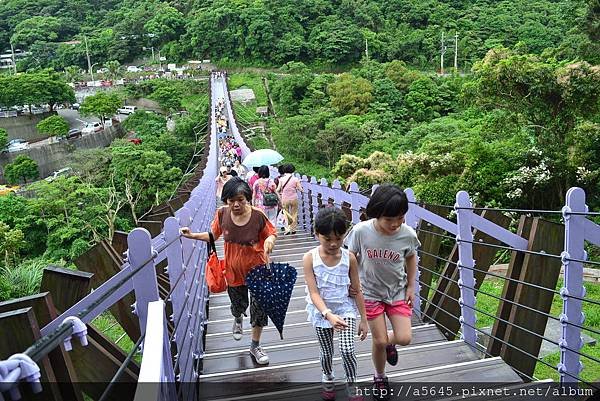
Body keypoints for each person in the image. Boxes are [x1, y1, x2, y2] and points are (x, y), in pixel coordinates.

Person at [180, 178, 277, 365]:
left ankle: (255, 346)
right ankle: (238, 317)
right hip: (233, 272)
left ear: (247, 198)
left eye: (240, 199)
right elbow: (212, 236)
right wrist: (191, 235)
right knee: (238, 305)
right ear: (226, 200)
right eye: (231, 200)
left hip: (258, 270)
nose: (236, 204)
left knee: (259, 309)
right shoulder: (222, 214)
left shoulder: (258, 215)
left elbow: (271, 233)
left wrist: (270, 241)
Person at [343, 184, 420, 400]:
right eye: (389, 219)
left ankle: (390, 343)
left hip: (397, 291)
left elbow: (411, 257)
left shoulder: (407, 234)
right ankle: (379, 375)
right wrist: (349, 282)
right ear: (376, 214)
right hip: (369, 292)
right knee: (378, 341)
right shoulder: (361, 231)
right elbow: (351, 257)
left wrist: (412, 286)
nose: (395, 224)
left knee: (405, 337)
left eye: (400, 218)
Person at [304, 207, 367, 401]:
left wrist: (364, 319)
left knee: (347, 350)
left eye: (339, 239)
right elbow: (313, 292)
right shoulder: (309, 258)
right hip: (322, 311)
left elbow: (356, 289)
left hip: (344, 308)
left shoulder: (349, 258)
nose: (333, 244)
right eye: (328, 239)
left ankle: (352, 382)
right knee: (326, 352)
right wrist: (327, 314)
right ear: (317, 234)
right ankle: (327, 376)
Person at [276, 164, 303, 235]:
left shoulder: (281, 179)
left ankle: (287, 229)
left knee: (286, 214)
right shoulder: (296, 179)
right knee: (294, 213)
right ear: (293, 170)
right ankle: (293, 229)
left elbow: (278, 189)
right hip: (294, 198)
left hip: (285, 198)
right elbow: (300, 189)